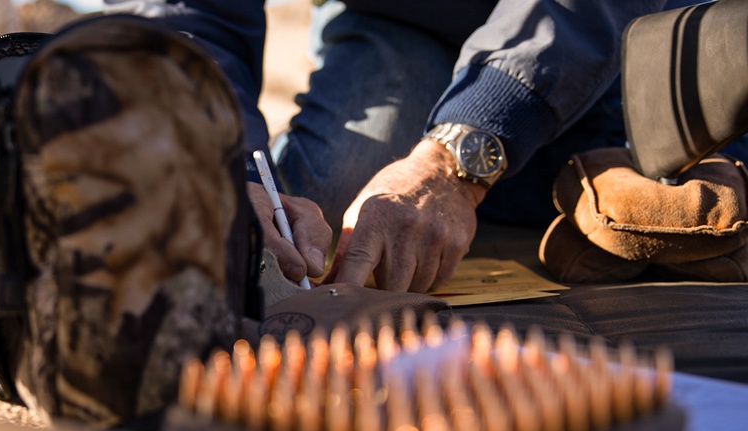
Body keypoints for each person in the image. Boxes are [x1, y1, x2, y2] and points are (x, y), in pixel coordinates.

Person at [103, 0, 678, 294]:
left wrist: (456, 162)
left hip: (616, 16)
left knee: (675, 168)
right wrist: (217, 170)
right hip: (408, 20)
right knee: (329, 202)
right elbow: (182, 19)